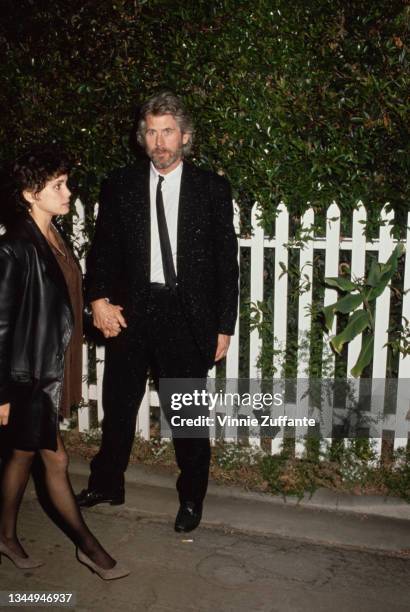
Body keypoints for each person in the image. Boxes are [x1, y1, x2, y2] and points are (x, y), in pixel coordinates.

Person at [77, 92, 239, 532]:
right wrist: (97, 299)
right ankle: (108, 482)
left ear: (185, 136)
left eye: (168, 131)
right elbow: (103, 250)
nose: (159, 141)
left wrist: (224, 325)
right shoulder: (121, 185)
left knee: (185, 413)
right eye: (151, 131)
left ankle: (191, 498)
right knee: (118, 403)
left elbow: (227, 261)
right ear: (142, 137)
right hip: (133, 310)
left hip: (186, 317)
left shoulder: (211, 188)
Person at [0, 146, 129, 580]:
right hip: (28, 376)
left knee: (21, 454)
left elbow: (63, 301)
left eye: (66, 182)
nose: (68, 191)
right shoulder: (13, 248)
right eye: (58, 185)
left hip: (51, 366)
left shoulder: (54, 236)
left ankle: (4, 535)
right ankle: (89, 548)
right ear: (30, 194)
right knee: (54, 459)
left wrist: (99, 312)